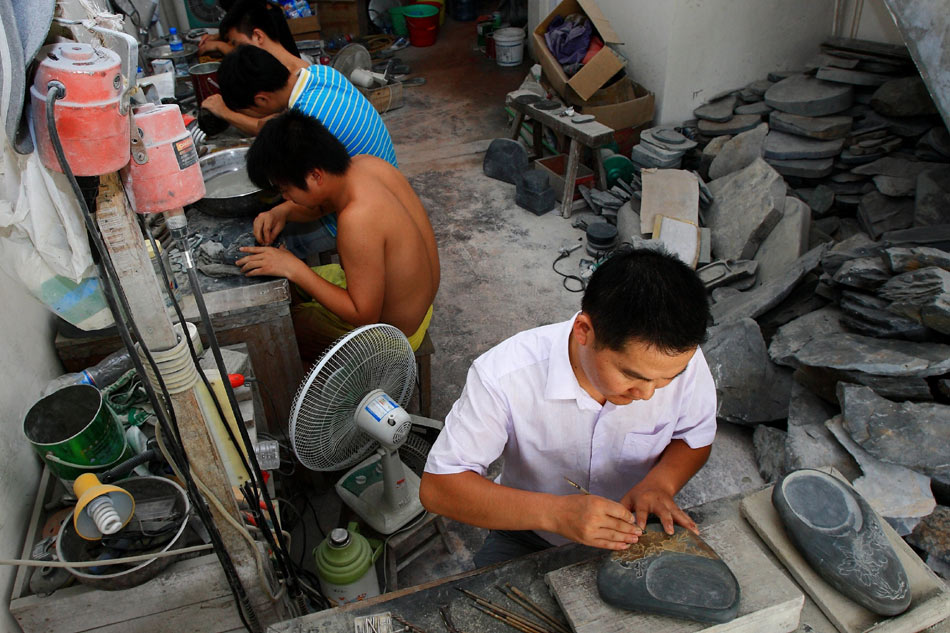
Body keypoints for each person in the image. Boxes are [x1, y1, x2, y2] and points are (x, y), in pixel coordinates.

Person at [419, 248, 716, 568]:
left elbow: (694, 437)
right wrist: (557, 514)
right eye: (631, 376)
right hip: (531, 531)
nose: (646, 393)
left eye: (665, 380)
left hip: (636, 528)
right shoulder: (503, 376)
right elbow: (440, 488)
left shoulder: (677, 361)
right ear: (584, 331)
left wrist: (660, 483)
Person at [236, 109, 438, 358]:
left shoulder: (357, 221)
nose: (286, 197)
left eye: (286, 190)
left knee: (288, 328)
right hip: (419, 302)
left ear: (315, 175)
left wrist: (294, 268)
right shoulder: (367, 165)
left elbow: (363, 316)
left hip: (396, 335)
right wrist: (283, 212)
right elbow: (322, 203)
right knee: (297, 285)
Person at [213, 44, 398, 259]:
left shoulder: (308, 121)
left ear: (261, 99)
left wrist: (284, 213)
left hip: (365, 216)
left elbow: (323, 198)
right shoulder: (320, 73)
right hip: (385, 186)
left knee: (261, 248)